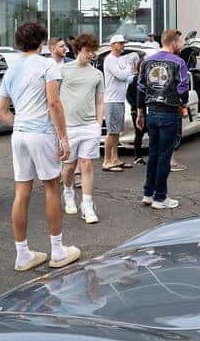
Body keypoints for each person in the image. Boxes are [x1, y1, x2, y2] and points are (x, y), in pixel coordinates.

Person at [0, 21, 80, 272]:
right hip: (41, 134)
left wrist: (20, 123)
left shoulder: (11, 70)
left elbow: (0, 111)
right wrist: (64, 138)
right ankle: (57, 250)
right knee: (52, 188)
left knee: (22, 192)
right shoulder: (48, 66)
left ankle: (22, 254)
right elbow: (54, 103)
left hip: (19, 134)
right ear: (42, 41)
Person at [135, 29, 190, 208]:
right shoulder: (178, 62)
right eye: (179, 42)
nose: (180, 45)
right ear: (173, 42)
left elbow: (141, 88)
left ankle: (148, 193)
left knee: (153, 153)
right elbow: (183, 87)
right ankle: (160, 197)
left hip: (151, 111)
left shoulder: (147, 61)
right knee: (165, 156)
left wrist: (140, 112)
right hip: (169, 111)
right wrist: (183, 103)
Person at [60, 33, 105, 224]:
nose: (91, 55)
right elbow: (53, 99)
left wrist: (98, 124)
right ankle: (68, 191)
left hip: (89, 127)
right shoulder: (63, 70)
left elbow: (100, 101)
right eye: (87, 51)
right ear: (79, 49)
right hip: (69, 126)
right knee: (69, 166)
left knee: (86, 165)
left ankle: (87, 205)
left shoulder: (97, 74)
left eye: (93, 51)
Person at [102, 34, 135, 173]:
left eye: (123, 43)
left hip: (120, 99)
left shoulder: (118, 60)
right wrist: (129, 66)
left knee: (117, 132)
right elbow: (123, 75)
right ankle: (106, 160)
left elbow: (128, 77)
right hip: (112, 100)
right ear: (113, 44)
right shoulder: (110, 60)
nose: (123, 46)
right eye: (120, 43)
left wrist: (128, 70)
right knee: (112, 132)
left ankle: (115, 158)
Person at [125, 53, 146, 166]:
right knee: (139, 133)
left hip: (149, 111)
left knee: (153, 133)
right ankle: (138, 156)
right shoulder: (134, 80)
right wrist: (135, 106)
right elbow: (129, 95)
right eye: (142, 66)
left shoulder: (150, 80)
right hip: (136, 111)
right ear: (138, 67)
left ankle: (154, 155)